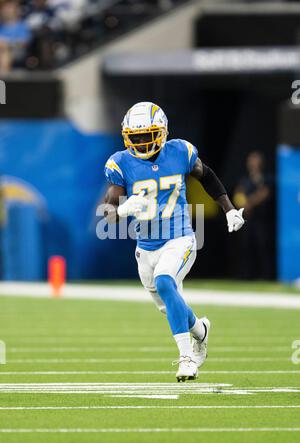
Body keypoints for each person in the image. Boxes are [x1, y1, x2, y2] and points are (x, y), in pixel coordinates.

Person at [103, 102, 245, 382]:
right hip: (145, 249)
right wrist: (121, 209)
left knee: (166, 282)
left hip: (180, 238)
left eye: (148, 135)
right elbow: (107, 213)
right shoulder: (120, 163)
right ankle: (201, 331)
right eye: (137, 136)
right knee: (171, 305)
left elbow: (208, 176)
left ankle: (186, 358)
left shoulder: (180, 151)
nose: (142, 142)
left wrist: (229, 209)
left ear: (163, 132)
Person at [233, 151, 273, 279]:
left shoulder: (266, 178)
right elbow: (238, 195)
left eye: (254, 160)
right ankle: (246, 276)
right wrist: (243, 206)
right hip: (247, 220)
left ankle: (266, 276)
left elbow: (264, 193)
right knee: (245, 248)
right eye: (250, 161)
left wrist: (249, 203)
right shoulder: (244, 180)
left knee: (263, 248)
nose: (252, 163)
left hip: (262, 220)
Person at [0, 0, 32, 72]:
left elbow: (25, 41)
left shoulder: (22, 26)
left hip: (17, 51)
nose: (6, 11)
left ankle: (3, 77)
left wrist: (6, 43)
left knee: (5, 53)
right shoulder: (1, 26)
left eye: (9, 8)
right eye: (4, 8)